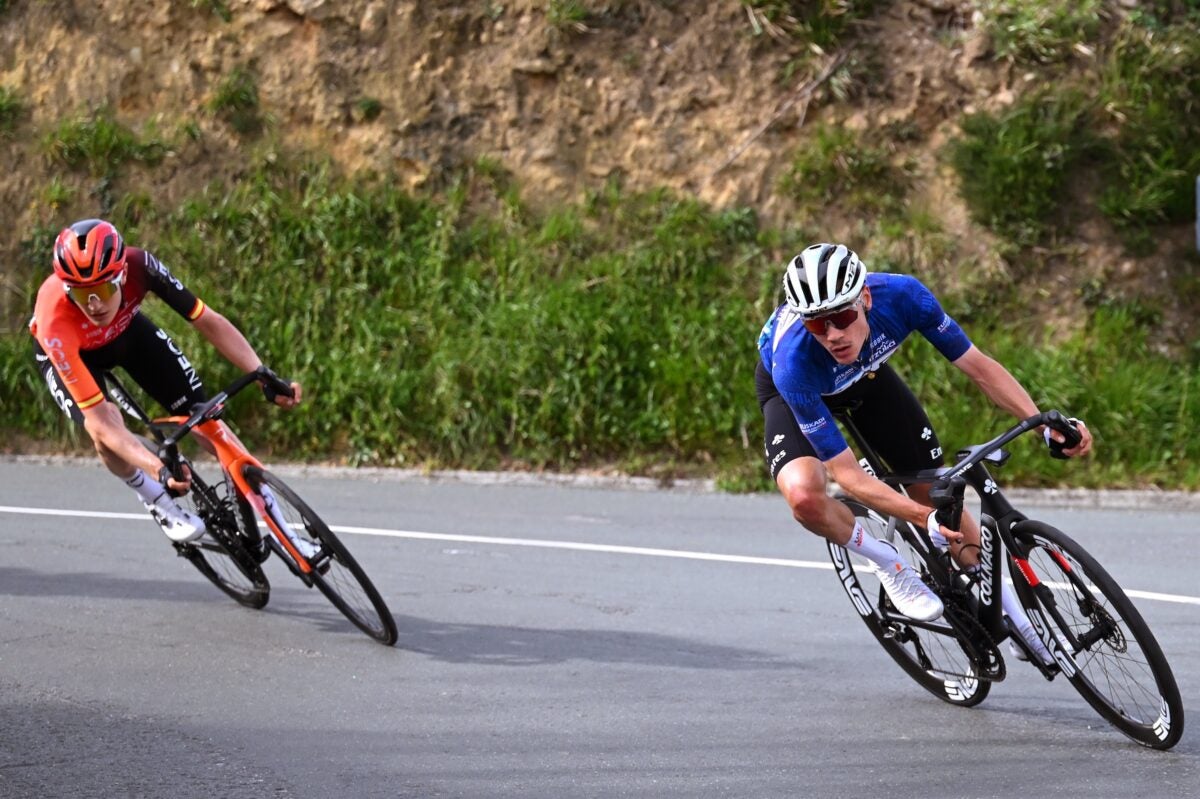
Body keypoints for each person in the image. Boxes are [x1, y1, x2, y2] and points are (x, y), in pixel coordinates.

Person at [756, 243, 1092, 663]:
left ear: (865, 298)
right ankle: (887, 562)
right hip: (796, 395)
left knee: (931, 488)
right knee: (805, 494)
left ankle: (1015, 613)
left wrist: (1044, 424)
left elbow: (980, 368)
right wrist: (922, 520)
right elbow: (848, 476)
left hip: (867, 377)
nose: (833, 335)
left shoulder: (904, 297)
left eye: (841, 318)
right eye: (817, 325)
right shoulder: (794, 362)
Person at [30, 218, 303, 546]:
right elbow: (102, 423)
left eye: (102, 289)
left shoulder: (141, 265)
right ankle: (155, 500)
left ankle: (281, 525)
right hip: (70, 355)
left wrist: (262, 374)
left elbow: (208, 321)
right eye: (80, 294)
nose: (95, 305)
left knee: (205, 418)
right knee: (104, 428)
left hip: (125, 332)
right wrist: (156, 469)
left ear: (122, 276)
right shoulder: (53, 320)